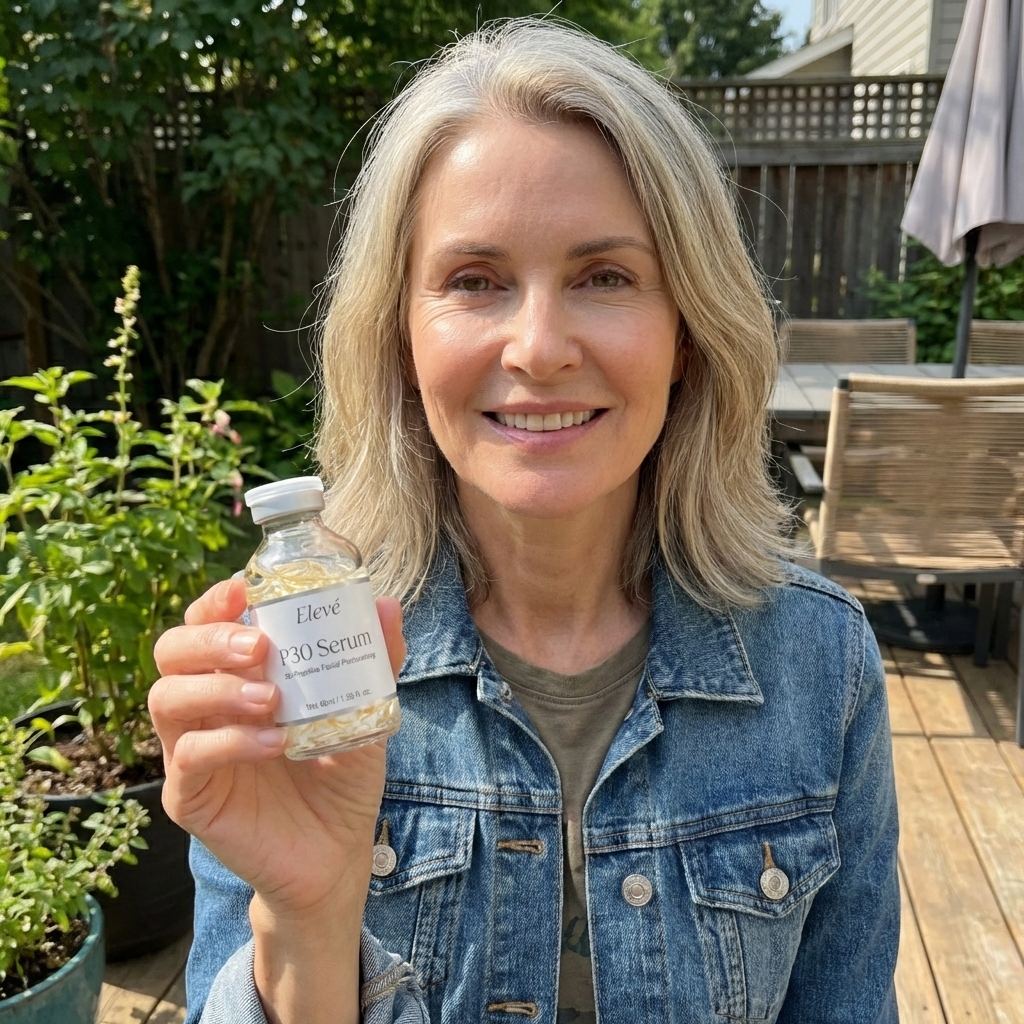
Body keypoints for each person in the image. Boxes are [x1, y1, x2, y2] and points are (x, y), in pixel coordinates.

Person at [150, 18, 899, 1024]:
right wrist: (307, 918)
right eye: (475, 280)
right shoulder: (302, 671)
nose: (538, 346)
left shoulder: (820, 662)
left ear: (686, 332)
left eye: (604, 276)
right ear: (399, 339)